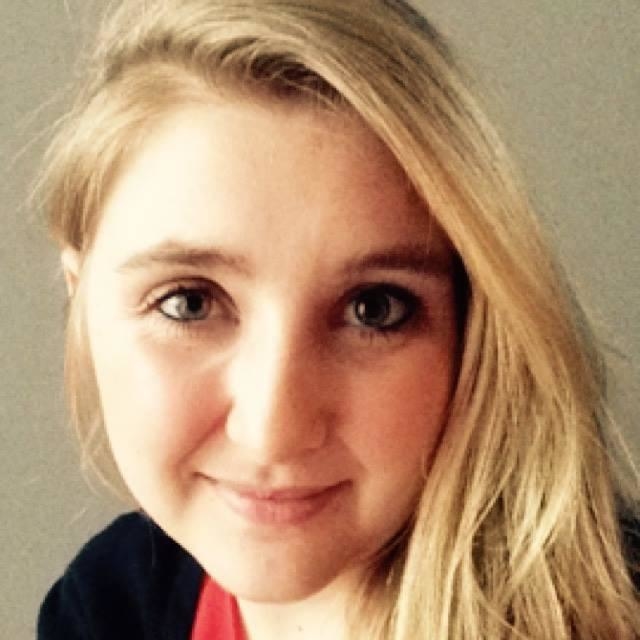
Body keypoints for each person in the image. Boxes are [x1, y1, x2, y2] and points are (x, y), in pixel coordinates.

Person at [36, 0, 639, 638]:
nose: (274, 430)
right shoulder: (110, 604)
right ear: (82, 301)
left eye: (373, 309)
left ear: (472, 327)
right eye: (189, 302)